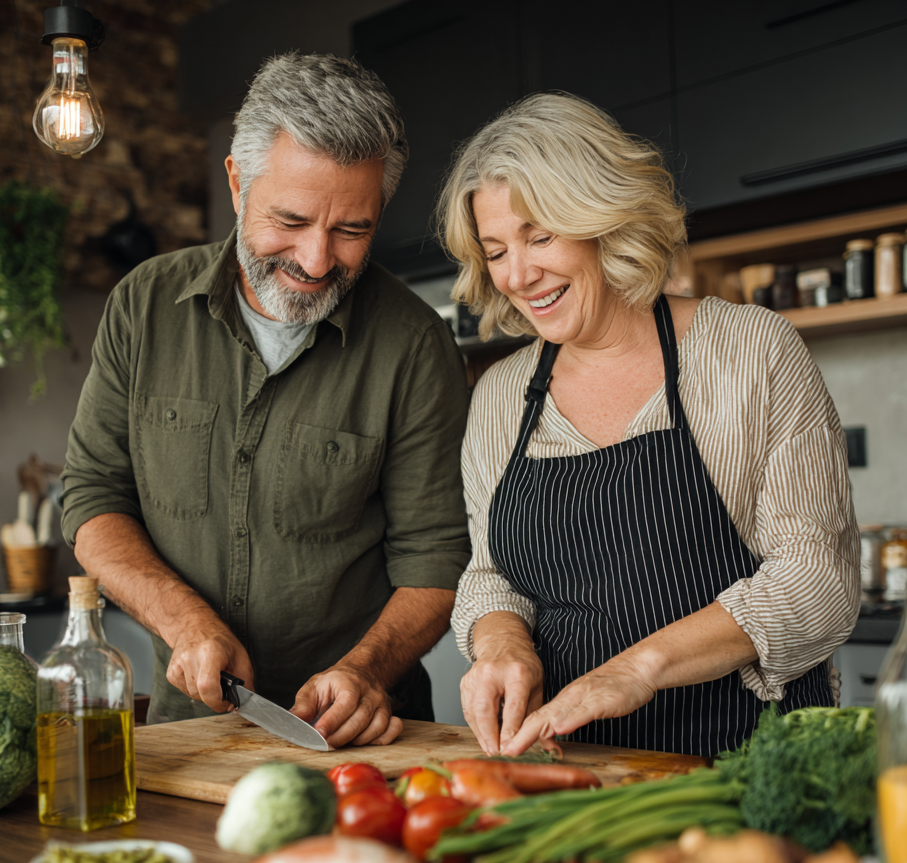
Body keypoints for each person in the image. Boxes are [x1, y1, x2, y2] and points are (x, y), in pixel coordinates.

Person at [61, 54, 471, 745]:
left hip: (364, 741)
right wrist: (184, 622)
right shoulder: (144, 304)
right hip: (191, 734)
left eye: (352, 230)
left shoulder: (415, 345)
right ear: (236, 182)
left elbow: (436, 558)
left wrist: (369, 670)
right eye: (291, 220)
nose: (316, 261)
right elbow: (93, 495)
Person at [439, 93, 860, 758]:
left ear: (602, 220)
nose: (518, 275)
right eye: (495, 251)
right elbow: (491, 574)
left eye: (540, 236)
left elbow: (819, 579)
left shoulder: (748, 352)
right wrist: (500, 644)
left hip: (747, 767)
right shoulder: (499, 396)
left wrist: (637, 669)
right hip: (573, 770)